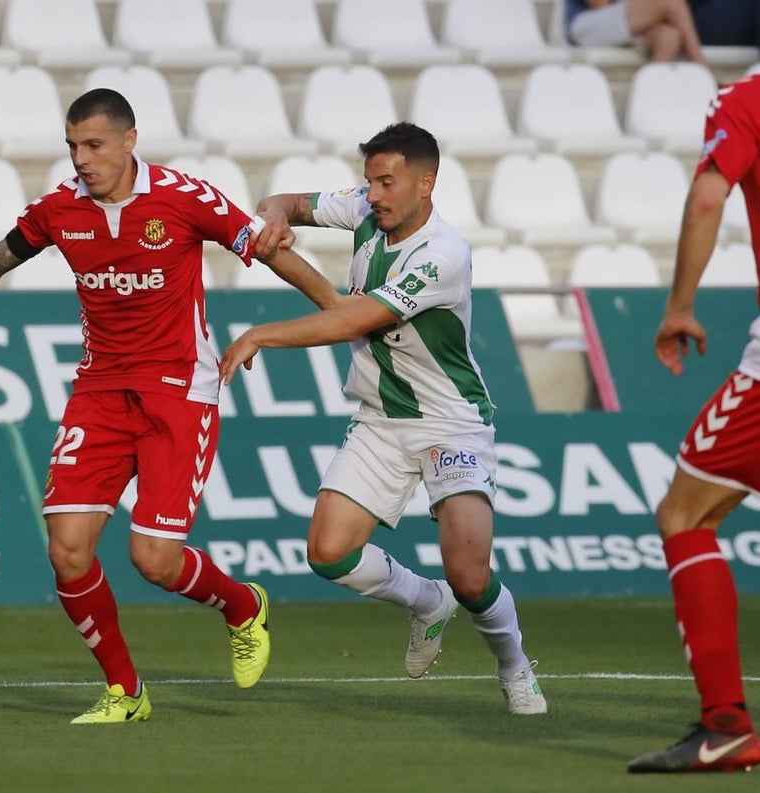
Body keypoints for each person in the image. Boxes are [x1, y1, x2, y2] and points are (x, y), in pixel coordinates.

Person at [0, 88, 338, 724]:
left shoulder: (183, 197)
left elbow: (272, 250)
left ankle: (241, 606)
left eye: (93, 144)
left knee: (154, 561)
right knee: (66, 549)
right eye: (72, 146)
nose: (81, 158)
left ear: (128, 139)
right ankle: (126, 692)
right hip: (99, 392)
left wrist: (343, 313)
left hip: (179, 392)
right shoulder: (60, 209)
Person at [220, 121, 547, 714]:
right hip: (379, 419)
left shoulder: (442, 254)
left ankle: (515, 667)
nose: (373, 193)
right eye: (370, 180)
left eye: (386, 181)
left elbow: (350, 320)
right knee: (328, 553)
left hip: (450, 423)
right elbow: (286, 204)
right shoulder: (367, 208)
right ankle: (426, 602)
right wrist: (270, 217)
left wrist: (260, 334)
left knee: (471, 578)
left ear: (427, 183)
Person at [627, 74, 760, 773]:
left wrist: (679, 305)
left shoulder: (745, 98)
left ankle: (726, 723)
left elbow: (710, 194)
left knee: (686, 512)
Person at [564, 0, 706, 64]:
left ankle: (652, 98)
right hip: (587, 25)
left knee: (669, 37)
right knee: (672, 2)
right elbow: (599, 5)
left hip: (628, 23)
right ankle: (703, 73)